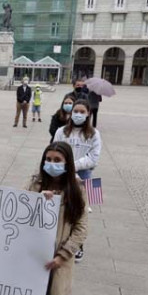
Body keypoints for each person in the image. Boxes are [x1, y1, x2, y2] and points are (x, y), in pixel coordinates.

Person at [8, 141, 88, 295]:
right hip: (32, 253)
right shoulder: (35, 183)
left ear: (67, 163)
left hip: (57, 257)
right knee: (23, 293)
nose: (51, 164)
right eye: (49, 159)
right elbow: (17, 206)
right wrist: (36, 200)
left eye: (57, 160)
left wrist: (63, 255)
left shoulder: (76, 189)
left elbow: (81, 227)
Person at [53, 99, 101, 262]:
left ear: (88, 114)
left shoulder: (94, 133)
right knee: (61, 208)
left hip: (85, 174)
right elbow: (55, 149)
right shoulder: (61, 131)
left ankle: (78, 245)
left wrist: (74, 166)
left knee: (81, 212)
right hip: (62, 172)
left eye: (82, 112)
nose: (78, 114)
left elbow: (94, 158)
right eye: (75, 111)